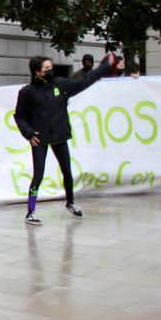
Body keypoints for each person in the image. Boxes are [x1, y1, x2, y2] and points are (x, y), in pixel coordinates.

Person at [13, 51, 115, 226]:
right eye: (46, 69)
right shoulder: (27, 92)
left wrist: (104, 68)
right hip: (40, 137)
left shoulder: (60, 84)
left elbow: (83, 82)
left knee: (67, 170)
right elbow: (19, 116)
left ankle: (71, 202)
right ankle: (30, 211)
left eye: (51, 67)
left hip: (59, 135)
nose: (50, 71)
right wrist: (29, 133)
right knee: (38, 174)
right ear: (37, 71)